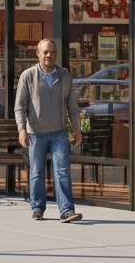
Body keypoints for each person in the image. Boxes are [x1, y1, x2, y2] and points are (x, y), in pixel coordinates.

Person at [14, 38, 83, 223]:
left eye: (52, 52)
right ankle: (37, 208)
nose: (49, 55)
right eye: (45, 52)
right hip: (35, 133)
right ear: (38, 54)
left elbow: (73, 107)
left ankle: (67, 211)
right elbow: (19, 106)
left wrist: (77, 129)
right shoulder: (27, 76)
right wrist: (22, 129)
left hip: (59, 132)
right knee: (37, 171)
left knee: (62, 170)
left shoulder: (64, 76)